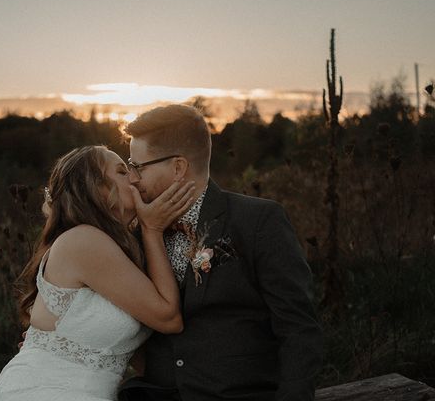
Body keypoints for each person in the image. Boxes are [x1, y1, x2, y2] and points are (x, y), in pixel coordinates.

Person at [119, 104, 323, 401]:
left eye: (139, 167)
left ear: (178, 167)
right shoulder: (136, 233)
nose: (133, 179)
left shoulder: (257, 221)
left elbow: (299, 329)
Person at [0, 145, 196, 401]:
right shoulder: (84, 240)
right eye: (122, 172)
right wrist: (152, 229)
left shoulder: (115, 248)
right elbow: (168, 317)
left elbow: (131, 353)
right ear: (96, 187)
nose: (134, 178)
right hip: (43, 389)